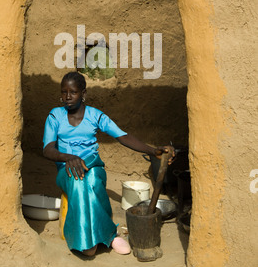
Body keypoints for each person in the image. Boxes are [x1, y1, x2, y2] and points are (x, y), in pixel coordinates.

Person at [43, 71, 174, 257]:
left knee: (94, 181)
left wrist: (152, 151)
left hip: (93, 166)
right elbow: (47, 149)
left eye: (73, 92)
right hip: (67, 168)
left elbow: (123, 136)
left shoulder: (95, 116)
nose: (67, 97)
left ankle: (108, 236)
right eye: (64, 92)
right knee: (79, 184)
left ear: (84, 94)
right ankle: (89, 241)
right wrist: (68, 157)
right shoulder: (55, 116)